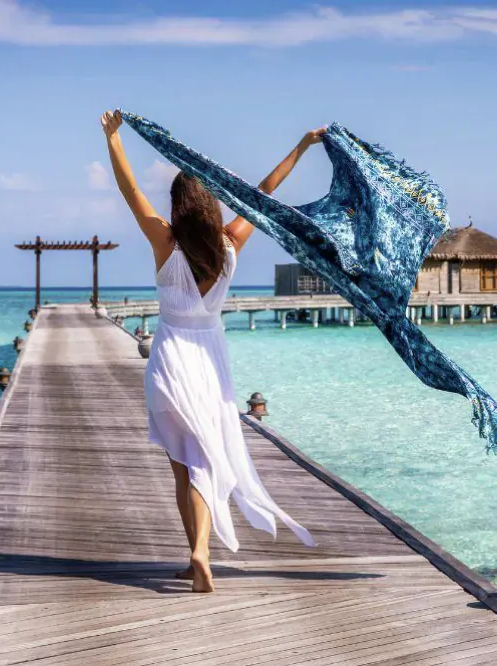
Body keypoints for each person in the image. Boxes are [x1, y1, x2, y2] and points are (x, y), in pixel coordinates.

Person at [101, 110, 319, 593]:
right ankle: (198, 553)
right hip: (210, 362)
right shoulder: (231, 242)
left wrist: (113, 138)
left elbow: (128, 189)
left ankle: (196, 552)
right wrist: (302, 148)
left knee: (184, 463)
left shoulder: (164, 241)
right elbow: (264, 194)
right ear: (212, 205)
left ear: (178, 206)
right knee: (202, 457)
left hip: (170, 361)